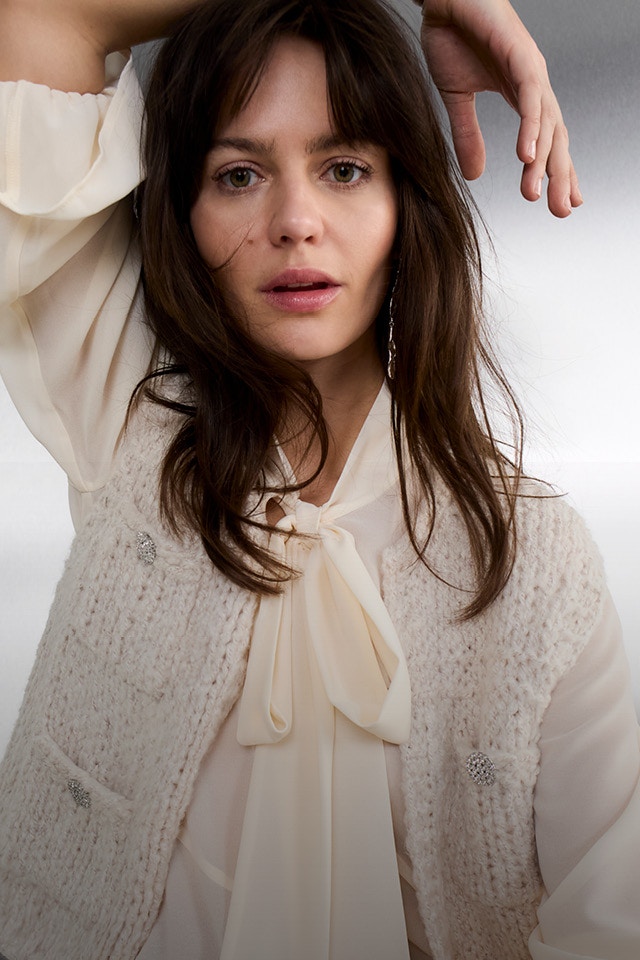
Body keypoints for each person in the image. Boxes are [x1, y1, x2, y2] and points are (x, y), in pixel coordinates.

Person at [0, 1, 637, 959]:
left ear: (404, 206)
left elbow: (610, 919)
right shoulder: (130, 410)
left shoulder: (532, 559)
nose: (294, 223)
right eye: (239, 174)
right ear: (183, 213)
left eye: (345, 169)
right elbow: (45, 18)